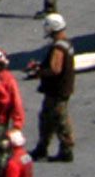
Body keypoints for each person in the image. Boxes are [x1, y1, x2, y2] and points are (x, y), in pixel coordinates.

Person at [27, 12, 76, 162]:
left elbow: (55, 69)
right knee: (48, 118)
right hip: (62, 89)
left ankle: (65, 150)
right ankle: (43, 147)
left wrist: (39, 72)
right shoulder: (67, 43)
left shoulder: (58, 47)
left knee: (59, 119)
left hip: (57, 90)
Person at [0, 49, 26, 167]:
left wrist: (17, 124)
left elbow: (16, 102)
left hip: (0, 123)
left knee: (1, 156)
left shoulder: (8, 80)